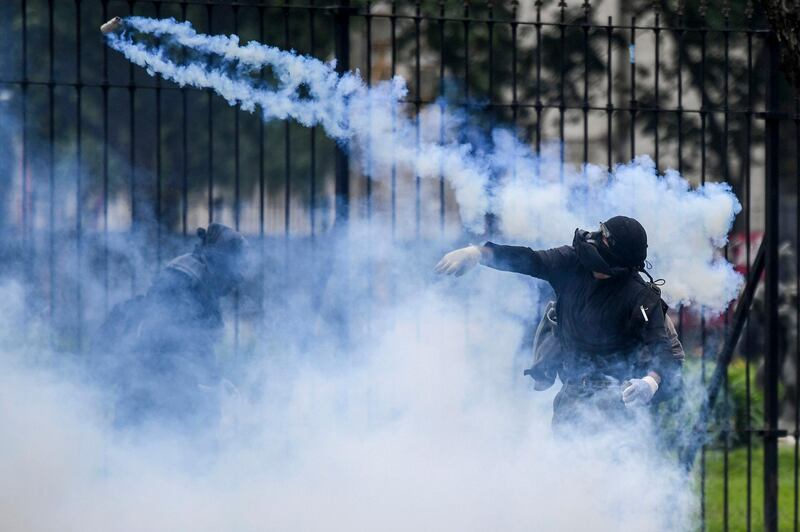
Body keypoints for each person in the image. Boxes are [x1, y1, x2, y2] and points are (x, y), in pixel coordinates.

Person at [435, 216, 684, 432]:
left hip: (617, 401)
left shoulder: (640, 296)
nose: (595, 237)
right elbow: (529, 259)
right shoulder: (571, 262)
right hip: (572, 395)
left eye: (605, 237)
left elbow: (663, 351)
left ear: (617, 255)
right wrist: (478, 253)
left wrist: (650, 382)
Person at [92, 222, 248, 428]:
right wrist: (209, 388)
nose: (234, 281)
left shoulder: (195, 276)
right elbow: (177, 342)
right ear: (220, 263)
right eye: (233, 272)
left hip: (153, 389)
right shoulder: (188, 284)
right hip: (157, 391)